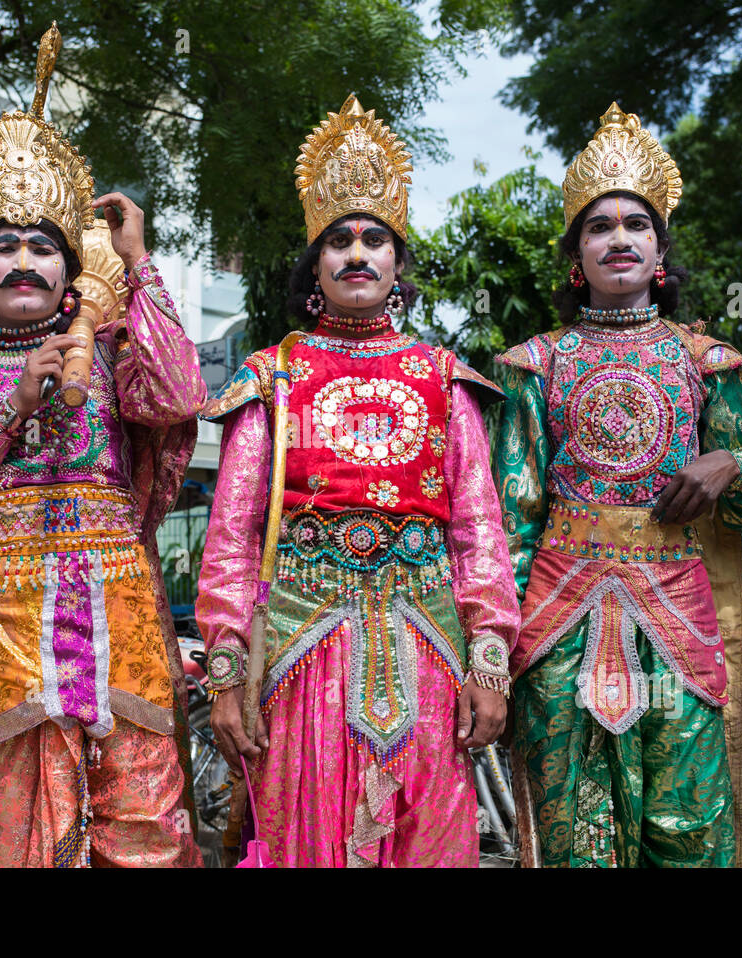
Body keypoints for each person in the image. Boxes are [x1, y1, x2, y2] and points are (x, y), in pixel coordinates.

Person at [196, 94, 520, 867]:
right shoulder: (271, 377)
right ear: (315, 265)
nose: (357, 252)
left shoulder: (446, 379)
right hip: (305, 651)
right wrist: (226, 671)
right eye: (338, 239)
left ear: (398, 265)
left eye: (376, 238)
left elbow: (478, 531)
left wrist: (490, 664)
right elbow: (233, 538)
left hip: (430, 648)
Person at [0, 25, 205, 867]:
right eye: (5, 245)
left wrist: (140, 265)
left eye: (44, 246)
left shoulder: (110, 360)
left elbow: (182, 396)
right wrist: (13, 410)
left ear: (72, 269)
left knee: (145, 833)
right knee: (9, 843)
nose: (25, 262)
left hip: (120, 620)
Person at [495, 103, 742, 867]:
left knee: (686, 828)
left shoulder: (705, 362)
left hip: (680, 620)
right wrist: (489, 657)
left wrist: (732, 463)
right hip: (559, 620)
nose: (619, 237)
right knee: (575, 833)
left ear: (659, 250)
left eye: (636, 224)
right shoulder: (537, 363)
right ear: (576, 256)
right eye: (599, 226)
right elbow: (510, 517)